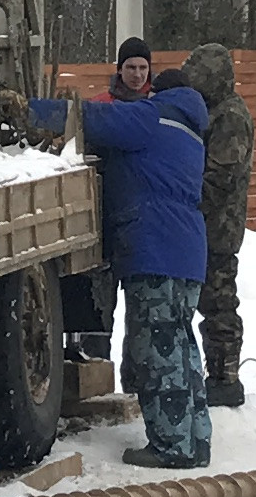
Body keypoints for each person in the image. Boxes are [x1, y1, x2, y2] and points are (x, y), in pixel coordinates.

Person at [78, 37, 212, 468]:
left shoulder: (156, 119)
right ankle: (197, 440)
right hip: (187, 252)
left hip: (155, 250)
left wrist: (35, 111)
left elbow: (95, 120)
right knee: (183, 346)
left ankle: (171, 447)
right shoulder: (191, 130)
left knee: (160, 351)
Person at [181, 39, 254, 406]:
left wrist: (190, 203)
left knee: (219, 302)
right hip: (206, 224)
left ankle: (225, 378)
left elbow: (222, 175)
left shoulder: (229, 116)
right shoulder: (212, 110)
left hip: (219, 228)